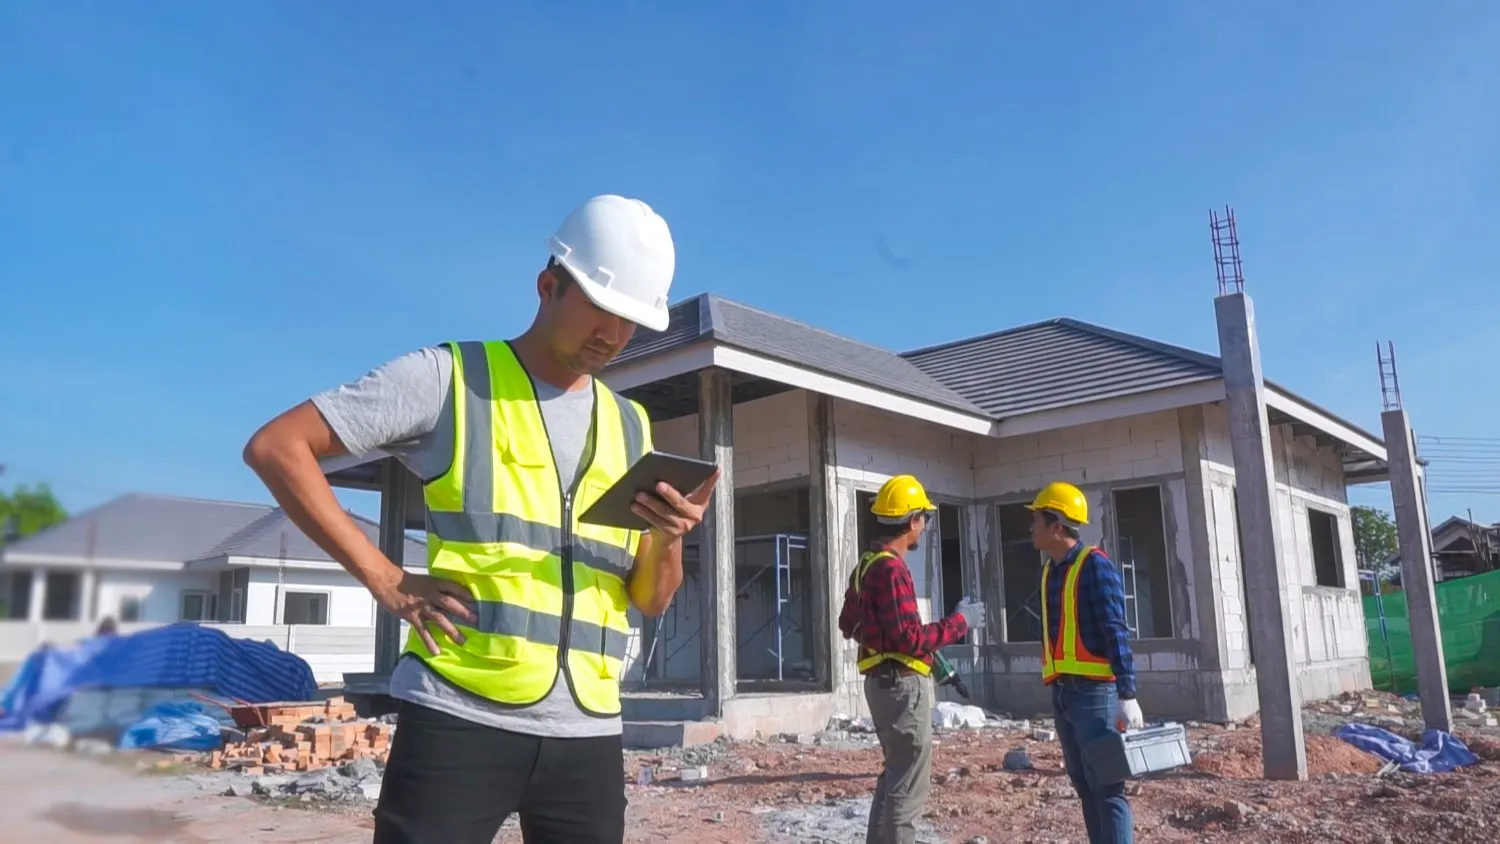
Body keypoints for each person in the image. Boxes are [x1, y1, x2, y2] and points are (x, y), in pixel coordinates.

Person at [242, 194, 720, 844]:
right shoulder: (451, 379)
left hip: (588, 732)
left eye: (630, 322)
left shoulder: (630, 426)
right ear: (548, 286)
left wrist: (669, 535)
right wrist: (387, 579)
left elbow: (650, 597)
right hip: (460, 718)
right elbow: (278, 448)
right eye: (600, 312)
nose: (612, 336)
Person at [837, 474, 985, 844]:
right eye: (925, 519)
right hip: (902, 689)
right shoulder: (891, 569)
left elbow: (847, 623)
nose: (925, 527)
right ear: (913, 519)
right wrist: (960, 622)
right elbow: (910, 638)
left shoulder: (867, 565)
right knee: (907, 791)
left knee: (894, 780)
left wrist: (878, 638)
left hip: (881, 686)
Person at [1027, 480, 1143, 844]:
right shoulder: (1049, 571)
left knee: (1107, 787)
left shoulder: (1095, 566)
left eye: (1037, 521)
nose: (1031, 528)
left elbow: (1115, 629)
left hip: (1095, 694)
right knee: (1083, 783)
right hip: (1064, 694)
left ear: (1056, 525)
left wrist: (1127, 692)